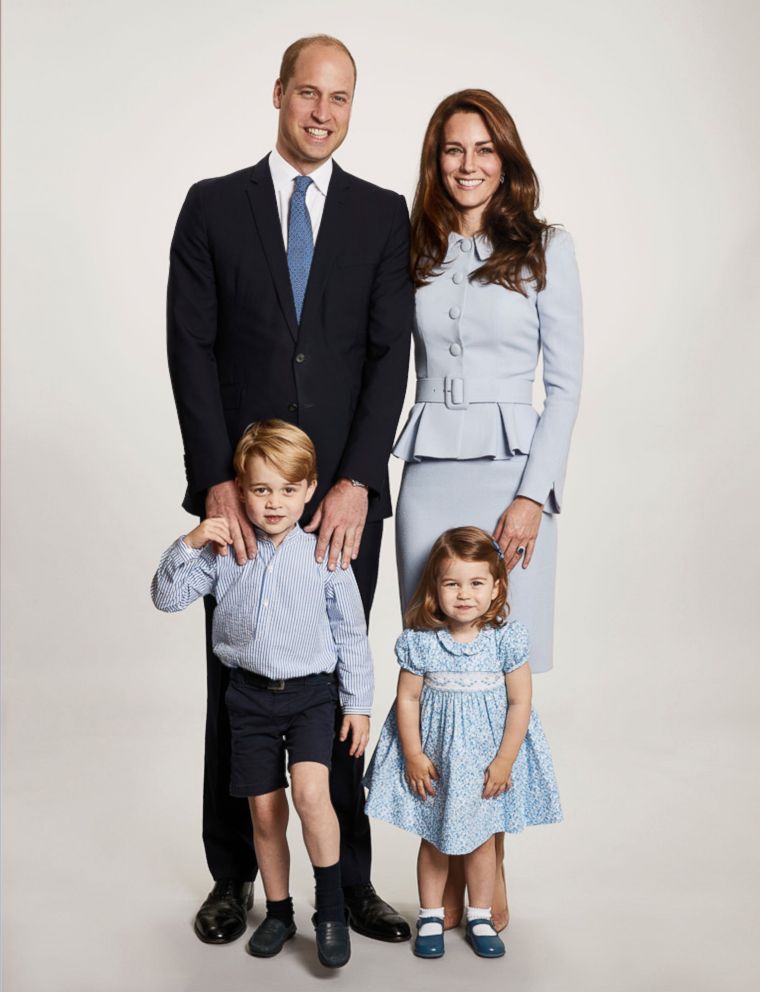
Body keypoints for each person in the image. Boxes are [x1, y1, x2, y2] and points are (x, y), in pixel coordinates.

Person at [166, 35, 412, 944]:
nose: (322, 112)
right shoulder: (214, 207)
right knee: (236, 685)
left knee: (339, 685)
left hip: (339, 507)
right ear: (279, 95)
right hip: (245, 498)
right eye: (308, 93)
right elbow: (188, 347)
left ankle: (344, 886)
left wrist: (356, 480)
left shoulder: (384, 217)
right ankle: (234, 874)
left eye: (340, 98)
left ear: (352, 108)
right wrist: (214, 486)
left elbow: (392, 357)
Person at [393, 89, 582, 930]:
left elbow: (568, 384)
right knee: (438, 679)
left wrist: (532, 496)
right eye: (451, 150)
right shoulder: (415, 249)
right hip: (429, 473)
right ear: (436, 162)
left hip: (512, 477)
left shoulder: (547, 248)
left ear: (506, 159)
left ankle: (490, 863)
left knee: (499, 673)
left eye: (483, 149)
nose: (467, 165)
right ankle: (441, 875)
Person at [152, 420, 373, 967]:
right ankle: (278, 911)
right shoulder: (227, 552)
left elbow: (352, 634)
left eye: (288, 490)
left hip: (311, 697)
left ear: (310, 488)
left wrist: (359, 705)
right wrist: (191, 540)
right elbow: (166, 597)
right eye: (260, 490)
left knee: (310, 795)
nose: (274, 503)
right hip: (247, 697)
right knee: (265, 812)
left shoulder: (324, 554)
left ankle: (330, 910)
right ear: (242, 489)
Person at [363, 527, 561, 959]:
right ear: (435, 589)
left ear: (496, 588)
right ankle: (431, 914)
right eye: (452, 583)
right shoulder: (421, 643)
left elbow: (520, 701)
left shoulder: (505, 641)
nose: (464, 594)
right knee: (433, 839)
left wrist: (505, 760)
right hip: (438, 762)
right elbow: (408, 699)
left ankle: (480, 914)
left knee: (482, 840)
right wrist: (413, 755)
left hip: (487, 765)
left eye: (476, 583)